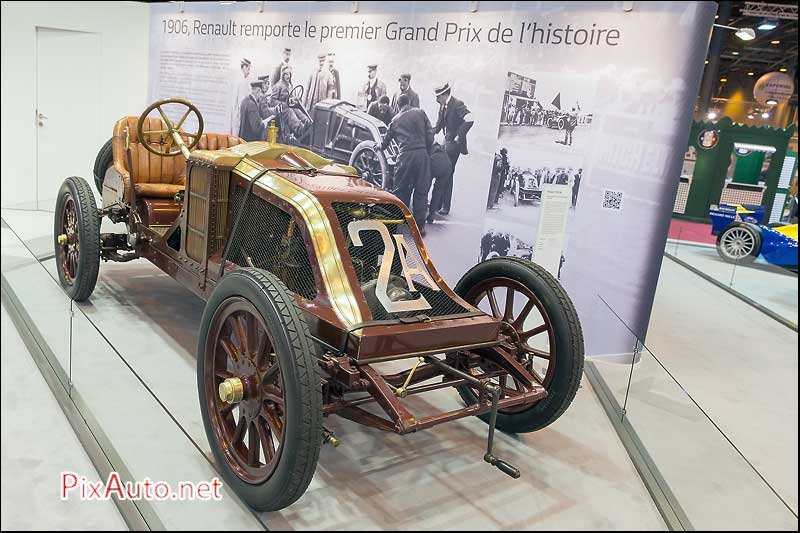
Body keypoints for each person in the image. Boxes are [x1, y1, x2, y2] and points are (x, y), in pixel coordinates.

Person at [380, 93, 433, 233]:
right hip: (422, 155)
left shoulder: (395, 120)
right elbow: (430, 134)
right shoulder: (420, 112)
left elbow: (385, 142)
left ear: (397, 105)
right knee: (421, 192)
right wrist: (425, 150)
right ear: (409, 102)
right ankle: (419, 228)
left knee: (400, 191)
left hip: (405, 157)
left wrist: (378, 146)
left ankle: (395, 226)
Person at [432, 82, 474, 215]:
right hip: (447, 142)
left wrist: (459, 136)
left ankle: (445, 206)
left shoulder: (457, 104)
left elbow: (470, 119)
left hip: (454, 145)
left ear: (445, 95)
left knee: (447, 173)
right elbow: (438, 126)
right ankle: (438, 204)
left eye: (438, 96)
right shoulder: (443, 105)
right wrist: (428, 131)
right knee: (444, 172)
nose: (436, 99)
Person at [428, 142, 453, 223]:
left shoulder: (424, 145)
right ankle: (431, 216)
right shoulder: (439, 147)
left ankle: (419, 214)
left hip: (434, 162)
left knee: (423, 189)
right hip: (447, 165)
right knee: (438, 192)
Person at [230, 58, 252, 135]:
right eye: (248, 69)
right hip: (239, 111)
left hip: (242, 110)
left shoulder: (246, 80)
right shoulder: (240, 81)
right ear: (244, 67)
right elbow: (240, 100)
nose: (249, 72)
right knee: (236, 130)